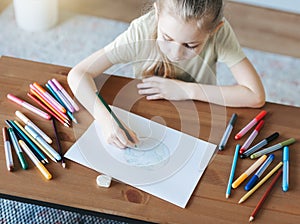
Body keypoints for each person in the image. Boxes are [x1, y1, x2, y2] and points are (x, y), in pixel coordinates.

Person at [67, 0, 265, 149]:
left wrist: (186, 90)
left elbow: (255, 96)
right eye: (167, 38)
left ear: (215, 30)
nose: (175, 53)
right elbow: (78, 73)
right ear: (156, 13)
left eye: (190, 45)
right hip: (146, 108)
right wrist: (105, 120)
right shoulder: (141, 32)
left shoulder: (220, 33)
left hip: (200, 111)